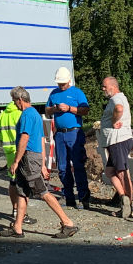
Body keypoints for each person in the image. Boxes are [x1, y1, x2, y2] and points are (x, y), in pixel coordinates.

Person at [3, 87, 79, 239]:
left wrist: (16, 161)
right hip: (34, 157)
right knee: (22, 191)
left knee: (42, 192)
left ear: (19, 100)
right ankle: (18, 228)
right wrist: (43, 163)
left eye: (14, 100)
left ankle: (67, 222)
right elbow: (41, 138)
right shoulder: (36, 115)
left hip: (28, 159)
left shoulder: (26, 115)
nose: (14, 104)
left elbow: (24, 138)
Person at [45, 66, 90, 208]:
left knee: (78, 165)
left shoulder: (77, 93)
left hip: (74, 132)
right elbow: (47, 111)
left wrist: (70, 108)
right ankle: (68, 195)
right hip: (60, 134)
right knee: (63, 167)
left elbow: (85, 110)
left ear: (69, 80)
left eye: (63, 83)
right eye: (59, 83)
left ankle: (83, 197)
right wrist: (54, 109)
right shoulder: (54, 93)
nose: (61, 86)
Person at [0, 88, 35, 226]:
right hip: (18, 151)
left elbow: (0, 135)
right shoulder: (19, 114)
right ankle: (22, 214)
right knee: (22, 184)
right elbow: (24, 135)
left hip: (8, 151)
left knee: (12, 181)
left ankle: (14, 209)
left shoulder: (3, 115)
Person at [99, 76, 133, 218]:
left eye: (104, 87)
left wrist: (114, 121)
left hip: (119, 140)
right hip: (114, 141)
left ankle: (129, 207)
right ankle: (123, 198)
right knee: (109, 172)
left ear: (112, 87)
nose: (103, 89)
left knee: (122, 172)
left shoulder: (116, 99)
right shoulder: (115, 99)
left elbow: (119, 109)